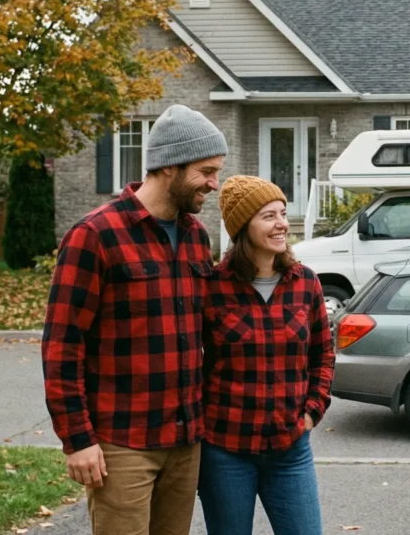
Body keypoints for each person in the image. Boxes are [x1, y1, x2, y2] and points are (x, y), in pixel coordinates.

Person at [42, 104, 226, 535]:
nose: (215, 184)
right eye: (207, 171)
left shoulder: (196, 236)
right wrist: (78, 440)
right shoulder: (95, 235)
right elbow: (62, 347)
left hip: (185, 441)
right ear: (169, 166)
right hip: (123, 443)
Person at [198, 175, 335, 535]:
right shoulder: (212, 287)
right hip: (226, 450)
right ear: (244, 226)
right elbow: (193, 362)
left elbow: (323, 354)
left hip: (290, 448)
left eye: (283, 213)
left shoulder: (306, 282)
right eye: (268, 216)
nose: (282, 224)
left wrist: (312, 412)